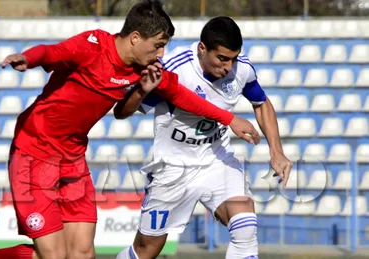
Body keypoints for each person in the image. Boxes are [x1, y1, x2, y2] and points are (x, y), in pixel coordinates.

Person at [0, 2, 260, 259]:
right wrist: (28, 58)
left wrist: (228, 119)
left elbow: (181, 96)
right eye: (158, 45)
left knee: (82, 253)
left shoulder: (144, 71)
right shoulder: (92, 47)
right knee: (55, 255)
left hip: (71, 158)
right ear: (135, 38)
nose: (162, 53)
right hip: (33, 154)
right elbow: (53, 52)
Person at [114, 16, 293, 259]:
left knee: (245, 225)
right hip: (172, 168)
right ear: (202, 48)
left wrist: (277, 151)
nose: (228, 66)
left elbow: (261, 103)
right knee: (147, 250)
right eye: (222, 58)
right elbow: (123, 111)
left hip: (215, 161)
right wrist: (143, 90)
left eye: (232, 59)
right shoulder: (175, 69)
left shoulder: (241, 70)